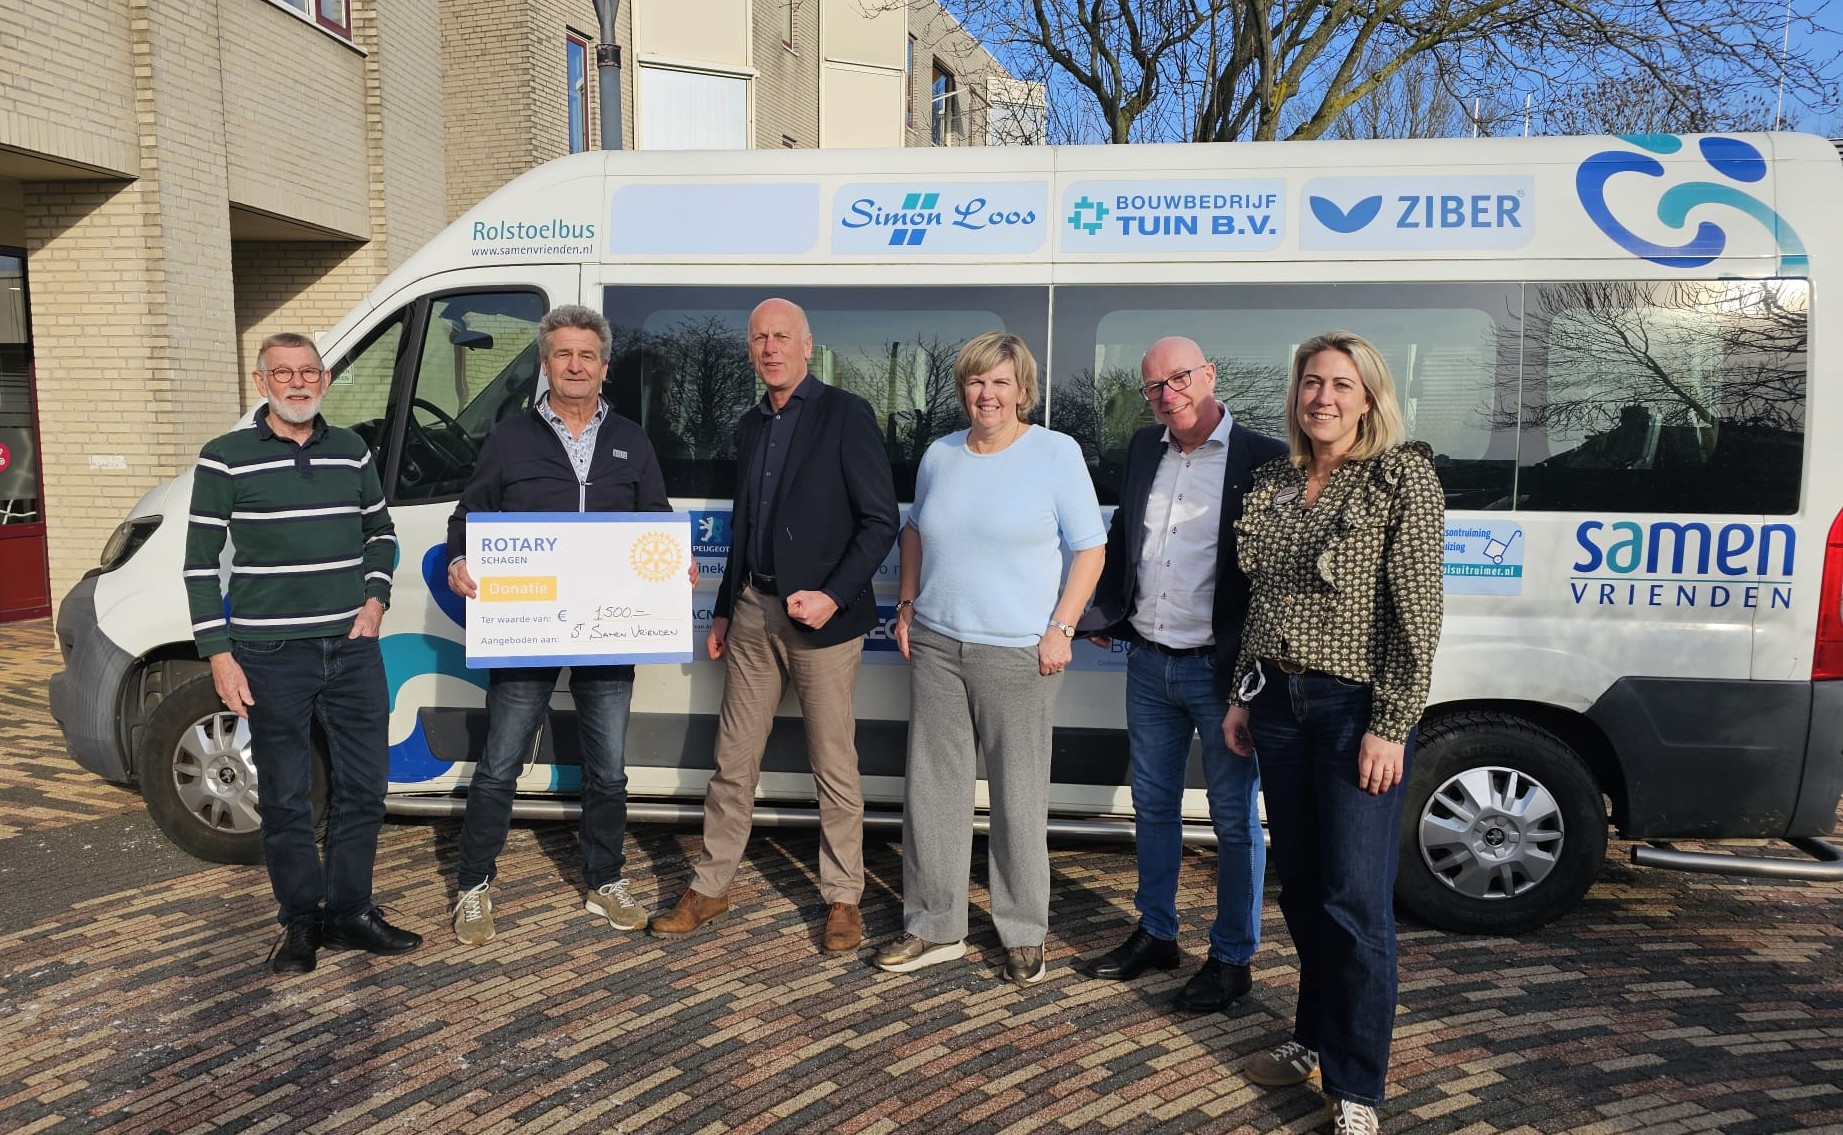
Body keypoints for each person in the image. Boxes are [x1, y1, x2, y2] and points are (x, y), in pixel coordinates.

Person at [1222, 331, 1444, 1135]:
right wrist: (1243, 692)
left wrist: (1391, 722)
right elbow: (1265, 601)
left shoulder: (1399, 476)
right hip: (1278, 704)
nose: (1322, 397)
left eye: (1340, 385)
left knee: (1354, 899)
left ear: (1369, 397)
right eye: (1311, 382)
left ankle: (1355, 1086)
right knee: (1306, 888)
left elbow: (1417, 614)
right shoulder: (1276, 481)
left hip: (1354, 710)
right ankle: (1312, 1037)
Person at [651, 297, 898, 954]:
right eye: (760, 338)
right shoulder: (750, 424)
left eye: (782, 336)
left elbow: (880, 521)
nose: (770, 348)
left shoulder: (845, 414)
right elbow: (745, 526)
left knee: (833, 763)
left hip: (822, 621)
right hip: (753, 612)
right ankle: (711, 885)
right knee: (732, 761)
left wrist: (833, 596)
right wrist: (724, 607)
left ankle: (843, 896)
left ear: (807, 345)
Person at [444, 304, 688, 946]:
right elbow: (467, 517)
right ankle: (473, 884)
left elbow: (655, 518)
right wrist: (460, 560)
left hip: (609, 629)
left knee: (607, 769)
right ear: (545, 364)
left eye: (587, 355)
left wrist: (672, 566)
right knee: (500, 762)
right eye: (563, 354)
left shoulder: (632, 439)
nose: (575, 366)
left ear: (604, 368)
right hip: (528, 627)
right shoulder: (509, 438)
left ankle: (605, 880)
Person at [872, 332, 1105, 986]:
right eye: (976, 381)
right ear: (963, 389)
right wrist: (907, 604)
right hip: (938, 645)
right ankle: (933, 925)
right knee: (932, 792)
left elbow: (1091, 549)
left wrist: (1061, 627)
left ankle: (1023, 931)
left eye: (1001, 382)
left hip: (1019, 652)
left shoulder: (1055, 453)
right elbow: (914, 531)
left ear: (1022, 390)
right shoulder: (940, 454)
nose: (987, 394)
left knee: (1018, 798)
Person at [184, 332, 421, 974]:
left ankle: (350, 913)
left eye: (309, 372)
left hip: (352, 649)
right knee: (287, 797)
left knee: (365, 789)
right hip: (269, 654)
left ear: (326, 379)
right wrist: (219, 654)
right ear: (261, 383)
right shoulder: (225, 458)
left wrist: (375, 601)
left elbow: (381, 532)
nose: (298, 383)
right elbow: (200, 565)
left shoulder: (351, 450)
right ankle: (300, 922)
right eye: (283, 373)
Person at [1078, 336, 1286, 1010]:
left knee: (1233, 820)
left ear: (1209, 374)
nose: (1168, 395)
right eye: (1153, 386)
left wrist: (1252, 676)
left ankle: (1231, 957)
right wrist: (1109, 613)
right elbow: (1126, 537)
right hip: (1148, 661)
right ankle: (1157, 933)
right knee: (1153, 806)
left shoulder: (1264, 458)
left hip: (1220, 673)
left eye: (1180, 378)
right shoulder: (1146, 447)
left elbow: (1270, 575)